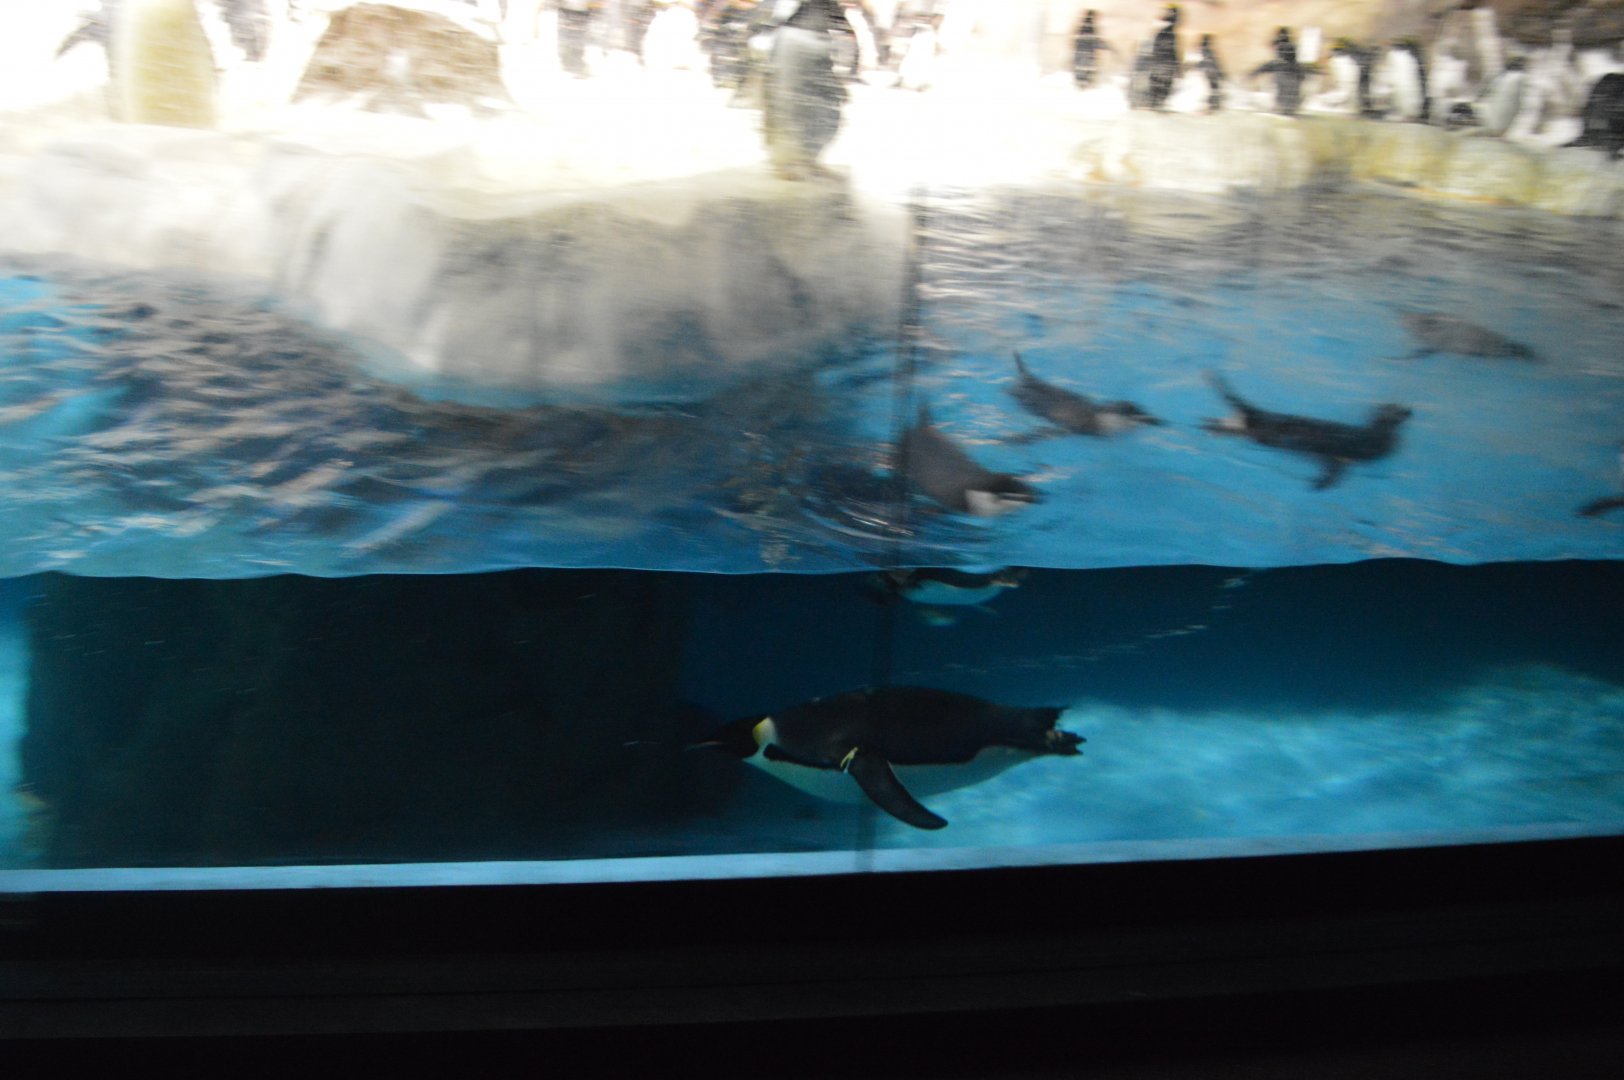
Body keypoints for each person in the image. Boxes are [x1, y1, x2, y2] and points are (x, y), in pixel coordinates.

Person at [762, 0, 848, 179]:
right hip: (795, 37)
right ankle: (788, 162)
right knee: (790, 104)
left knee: (825, 105)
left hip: (817, 38)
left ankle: (808, 159)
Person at [1072, 10, 1117, 89]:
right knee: (1085, 82)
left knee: (1082, 81)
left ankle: (1082, 86)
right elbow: (1096, 42)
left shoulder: (1081, 28)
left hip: (1081, 58)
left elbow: (1077, 42)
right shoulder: (1090, 28)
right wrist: (1110, 48)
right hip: (1087, 58)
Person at [557, 0, 598, 77]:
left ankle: (572, 62)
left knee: (573, 36)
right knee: (574, 36)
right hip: (575, 9)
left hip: (574, 9)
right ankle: (572, 62)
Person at [1196, 32, 1224, 112]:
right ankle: (1214, 106)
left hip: (1209, 71)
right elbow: (1211, 61)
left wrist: (1199, 67)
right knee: (1214, 88)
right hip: (1211, 71)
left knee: (1212, 89)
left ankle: (1213, 106)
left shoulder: (1204, 50)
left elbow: (1205, 61)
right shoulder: (1209, 51)